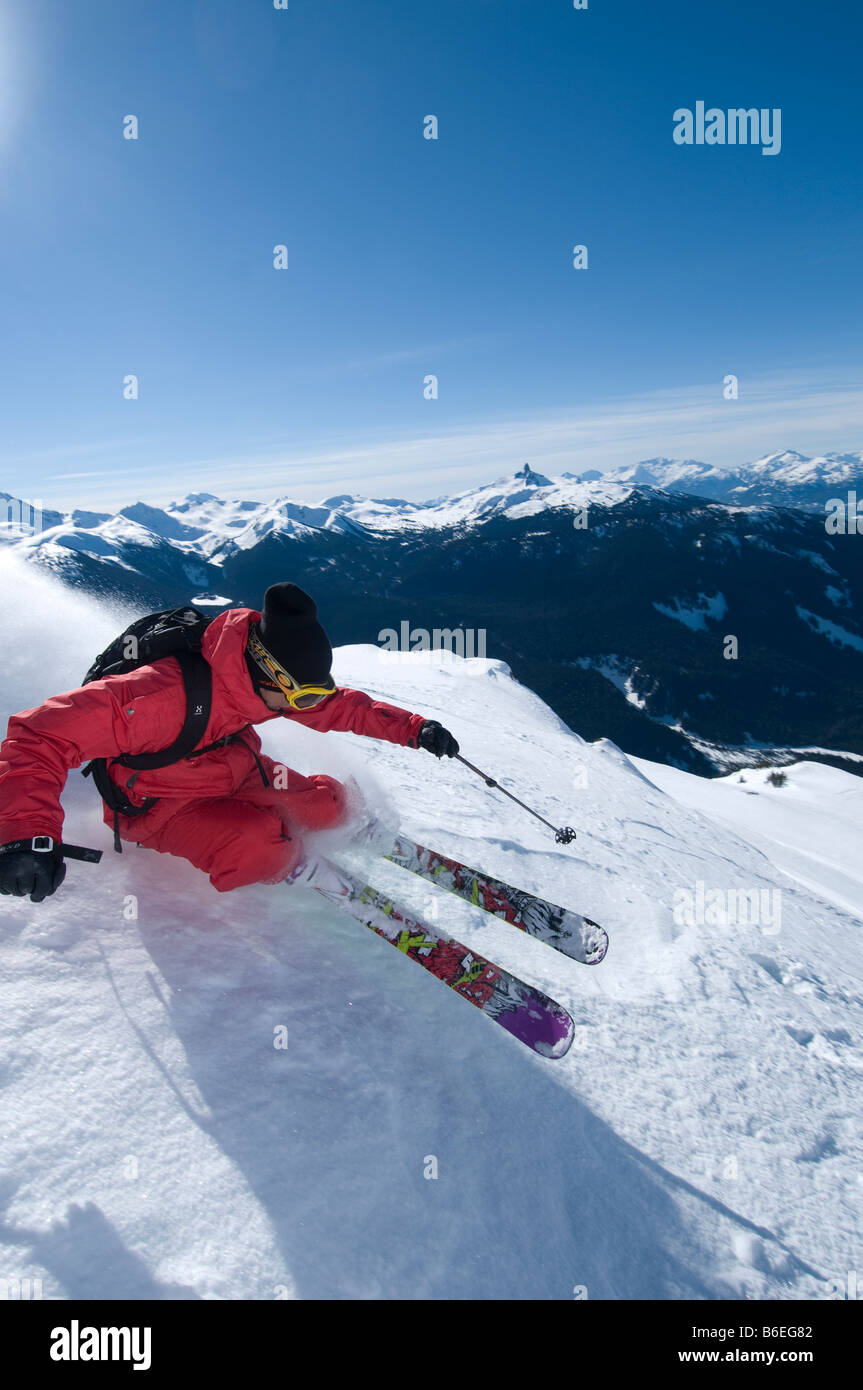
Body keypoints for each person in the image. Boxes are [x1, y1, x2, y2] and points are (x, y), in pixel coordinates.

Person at [0, 583, 459, 902]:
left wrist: (413, 729)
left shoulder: (272, 684)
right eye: (301, 694)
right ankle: (290, 867)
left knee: (329, 805)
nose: (307, 704)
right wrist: (24, 837)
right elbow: (38, 735)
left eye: (313, 692)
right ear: (265, 671)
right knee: (258, 846)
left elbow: (339, 707)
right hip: (162, 805)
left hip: (235, 770)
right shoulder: (157, 696)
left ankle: (334, 827)